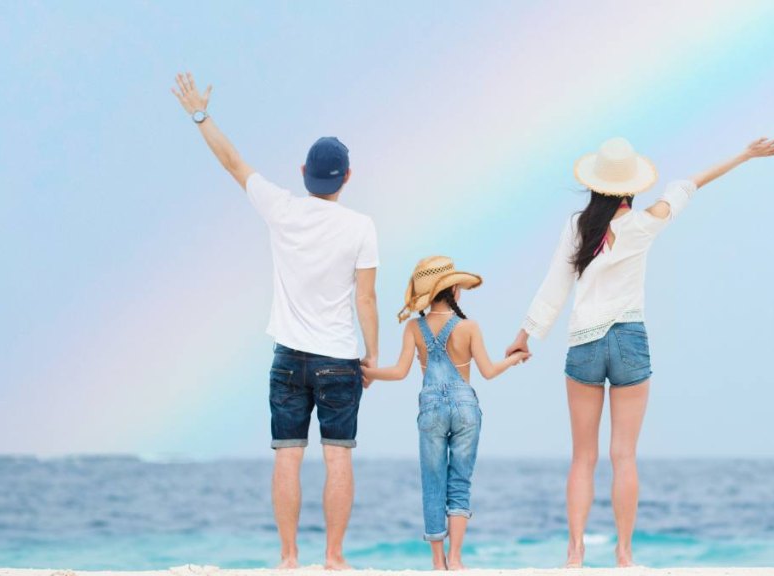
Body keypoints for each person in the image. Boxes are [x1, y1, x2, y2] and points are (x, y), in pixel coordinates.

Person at [505, 136, 774, 567]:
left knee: (583, 455)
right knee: (624, 455)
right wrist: (745, 155)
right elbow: (689, 184)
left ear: (596, 185)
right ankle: (623, 553)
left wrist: (528, 333)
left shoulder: (578, 227)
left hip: (584, 340)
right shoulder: (646, 222)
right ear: (632, 187)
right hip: (629, 339)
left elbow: (555, 284)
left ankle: (575, 552)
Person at [171, 72, 380, 571]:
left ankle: (288, 558)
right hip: (338, 359)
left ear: (304, 170)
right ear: (347, 177)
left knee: (287, 456)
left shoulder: (281, 208)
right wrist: (371, 356)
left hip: (288, 356)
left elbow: (232, 162)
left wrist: (200, 114)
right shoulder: (360, 227)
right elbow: (367, 300)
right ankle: (333, 557)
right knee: (338, 458)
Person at [363, 256, 529, 570]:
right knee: (460, 482)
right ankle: (456, 559)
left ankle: (439, 563)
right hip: (466, 408)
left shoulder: (414, 327)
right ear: (454, 289)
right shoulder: (469, 327)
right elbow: (489, 371)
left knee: (433, 481)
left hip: (431, 410)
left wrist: (370, 374)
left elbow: (399, 372)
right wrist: (516, 358)